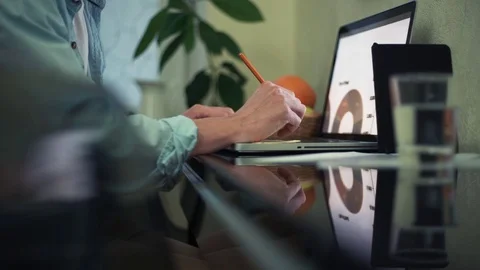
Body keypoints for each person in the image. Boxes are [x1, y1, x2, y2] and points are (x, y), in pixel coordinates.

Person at [0, 1, 305, 269]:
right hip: (36, 238)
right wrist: (234, 126)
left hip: (73, 224)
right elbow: (74, 140)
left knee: (274, 244)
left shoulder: (85, 9)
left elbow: (90, 121)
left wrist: (180, 127)